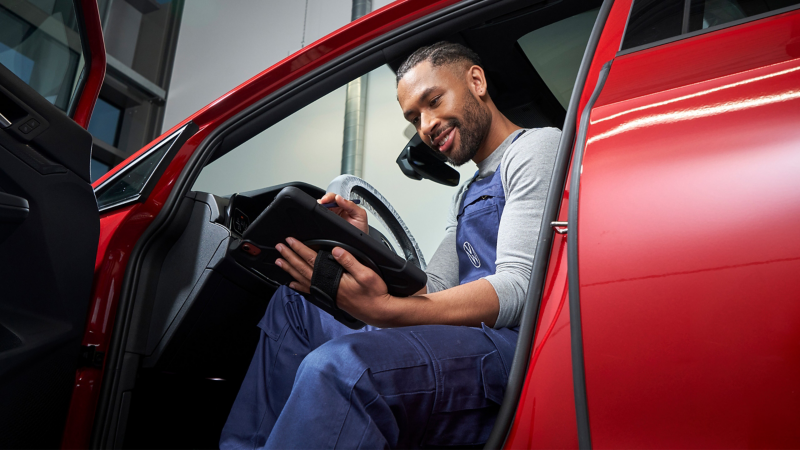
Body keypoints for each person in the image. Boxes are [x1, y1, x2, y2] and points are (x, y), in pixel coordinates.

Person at [220, 42, 561, 449]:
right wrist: (364, 245)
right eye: (414, 118)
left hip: (513, 350)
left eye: (433, 101)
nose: (427, 125)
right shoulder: (468, 192)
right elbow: (432, 288)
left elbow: (519, 288)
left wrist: (388, 312)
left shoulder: (535, 149)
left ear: (476, 81)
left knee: (345, 368)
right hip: (466, 336)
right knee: (295, 304)